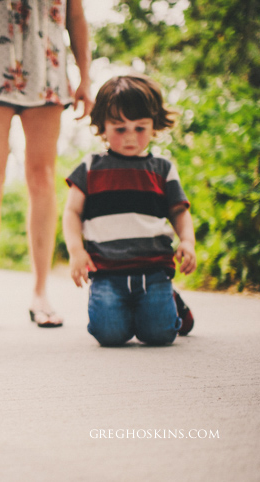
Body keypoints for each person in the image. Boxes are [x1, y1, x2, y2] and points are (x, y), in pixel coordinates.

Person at [0, 0, 93, 329]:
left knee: (43, 179)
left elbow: (76, 16)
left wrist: (85, 76)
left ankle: (41, 293)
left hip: (47, 67)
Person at [62, 73, 197, 346]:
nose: (130, 138)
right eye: (119, 128)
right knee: (110, 335)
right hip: (107, 271)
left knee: (159, 335)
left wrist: (188, 241)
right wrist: (76, 250)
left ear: (153, 125)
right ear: (102, 126)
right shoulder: (90, 167)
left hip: (154, 269)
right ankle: (132, 312)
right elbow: (72, 212)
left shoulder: (162, 169)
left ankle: (170, 302)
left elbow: (179, 211)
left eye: (140, 128)